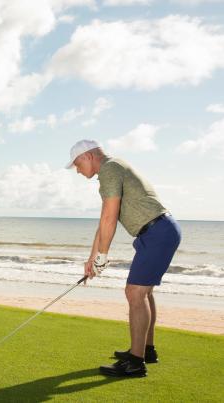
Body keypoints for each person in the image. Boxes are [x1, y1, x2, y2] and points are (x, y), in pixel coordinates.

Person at [67, 139, 181, 378]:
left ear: (88, 156)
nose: (77, 171)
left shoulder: (109, 169)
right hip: (158, 231)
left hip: (157, 232)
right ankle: (146, 350)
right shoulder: (113, 168)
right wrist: (92, 259)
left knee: (135, 292)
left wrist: (103, 257)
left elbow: (110, 219)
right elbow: (103, 222)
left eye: (77, 165)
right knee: (144, 292)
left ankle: (136, 363)